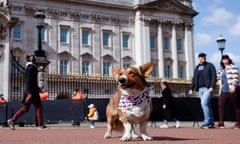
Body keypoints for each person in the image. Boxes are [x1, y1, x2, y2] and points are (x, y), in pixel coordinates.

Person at [7, 55, 48, 130]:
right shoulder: (31, 68)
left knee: (26, 108)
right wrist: (30, 93)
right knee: (38, 107)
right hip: (32, 92)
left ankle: (12, 120)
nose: (37, 59)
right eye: (35, 58)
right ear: (32, 60)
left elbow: (32, 81)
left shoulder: (31, 67)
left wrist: (38, 89)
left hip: (32, 91)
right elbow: (28, 81)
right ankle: (40, 125)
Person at [189, 53, 217, 129]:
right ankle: (211, 123)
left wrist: (212, 86)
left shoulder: (210, 65)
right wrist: (191, 88)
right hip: (200, 89)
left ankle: (207, 122)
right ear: (199, 58)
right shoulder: (197, 67)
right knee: (207, 105)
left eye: (204, 57)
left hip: (207, 88)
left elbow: (214, 76)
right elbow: (194, 79)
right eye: (201, 57)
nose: (203, 58)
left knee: (203, 103)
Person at [217, 55, 240, 129]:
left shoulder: (233, 66)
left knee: (236, 106)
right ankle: (221, 123)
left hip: (232, 89)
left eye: (226, 59)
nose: (224, 60)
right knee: (220, 105)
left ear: (229, 59)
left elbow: (236, 77)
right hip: (224, 90)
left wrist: (234, 85)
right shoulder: (221, 69)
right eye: (223, 59)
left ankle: (238, 123)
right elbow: (219, 79)